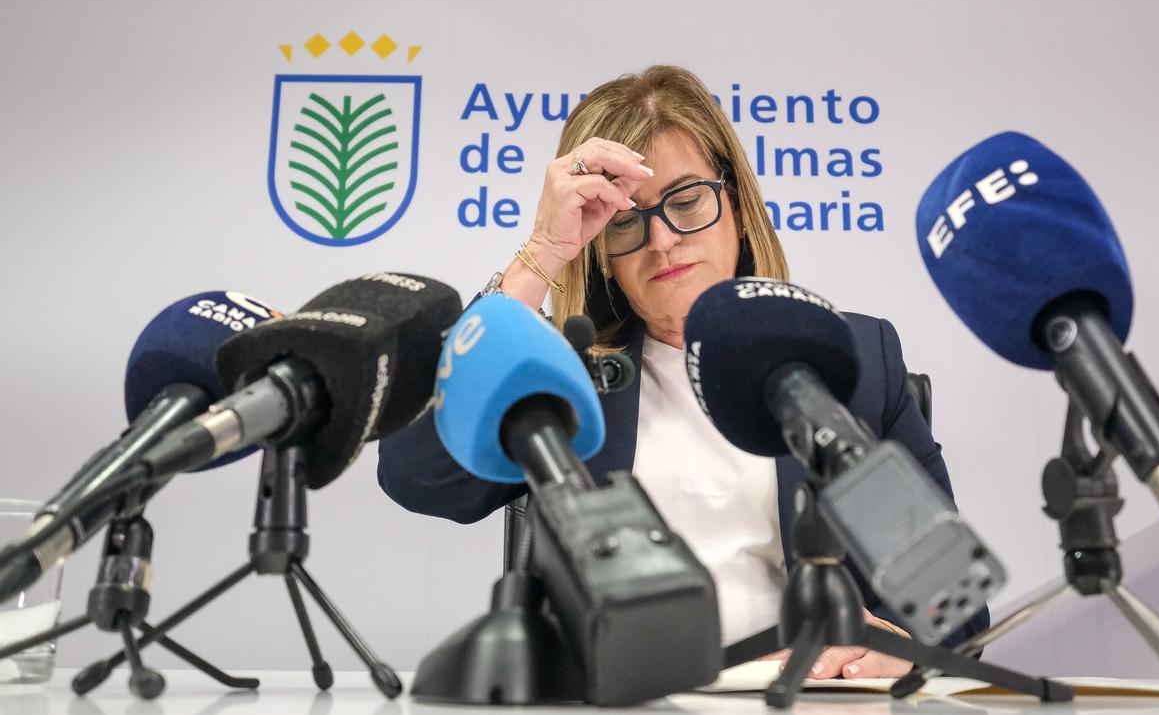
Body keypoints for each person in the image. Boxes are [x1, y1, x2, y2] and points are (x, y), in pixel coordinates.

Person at [378, 65, 989, 679]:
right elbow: (419, 477)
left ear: (737, 207)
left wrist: (895, 648)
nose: (662, 239)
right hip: (627, 696)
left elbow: (954, 607)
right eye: (624, 219)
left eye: (687, 199)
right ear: (603, 258)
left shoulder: (847, 360)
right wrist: (539, 256)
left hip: (807, 698)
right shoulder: (561, 377)